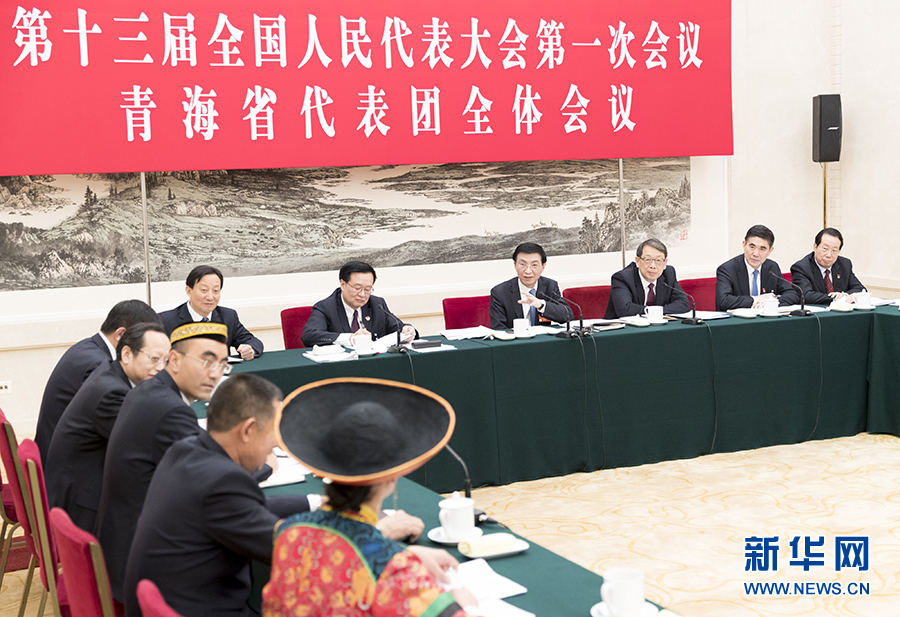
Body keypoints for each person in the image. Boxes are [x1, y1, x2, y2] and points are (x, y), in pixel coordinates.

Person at [262, 377, 477, 617]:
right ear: (391, 478)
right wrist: (467, 605)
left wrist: (407, 553)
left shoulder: (288, 533)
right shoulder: (391, 567)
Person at [123, 374, 314, 617]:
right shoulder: (222, 481)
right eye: (274, 432)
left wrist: (316, 503)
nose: (276, 444)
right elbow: (289, 549)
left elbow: (240, 510)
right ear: (248, 430)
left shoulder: (185, 450)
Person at [96, 322, 234, 601]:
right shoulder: (170, 408)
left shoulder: (151, 389)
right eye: (206, 362)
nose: (215, 373)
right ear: (174, 360)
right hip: (142, 565)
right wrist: (262, 465)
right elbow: (211, 481)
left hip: (120, 542)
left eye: (222, 365)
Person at [45, 322, 170, 533]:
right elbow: (147, 445)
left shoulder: (110, 372)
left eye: (166, 361)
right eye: (154, 359)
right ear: (127, 354)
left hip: (75, 487)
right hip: (80, 506)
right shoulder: (112, 394)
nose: (161, 368)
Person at [35, 299, 160, 464]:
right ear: (121, 335)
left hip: (59, 453)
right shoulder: (98, 365)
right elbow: (126, 430)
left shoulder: (88, 348)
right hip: (69, 465)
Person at [159, 265, 263, 360]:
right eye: (204, 290)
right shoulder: (166, 320)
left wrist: (249, 349)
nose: (210, 297)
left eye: (215, 291)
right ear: (189, 291)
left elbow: (253, 341)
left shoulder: (228, 316)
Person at [301, 261, 416, 348]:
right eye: (357, 288)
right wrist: (350, 338)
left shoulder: (377, 304)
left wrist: (408, 330)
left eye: (368, 289)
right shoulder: (325, 307)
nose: (362, 294)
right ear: (343, 284)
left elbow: (398, 327)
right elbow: (309, 336)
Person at [715, 224, 798, 311]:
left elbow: (792, 295)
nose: (755, 254)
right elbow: (723, 301)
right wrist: (756, 299)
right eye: (752, 247)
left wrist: (770, 302)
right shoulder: (727, 269)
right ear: (744, 245)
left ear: (770, 251)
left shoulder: (772, 267)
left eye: (762, 249)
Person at [489, 242, 571, 330]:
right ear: (515, 265)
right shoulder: (500, 292)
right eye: (522, 264)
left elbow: (568, 316)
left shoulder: (550, 286)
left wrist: (541, 305)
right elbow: (498, 329)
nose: (528, 271)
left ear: (543, 266)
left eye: (534, 265)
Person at [604, 238, 691, 319]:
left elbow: (684, 303)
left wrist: (657, 311)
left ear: (665, 263)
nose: (653, 266)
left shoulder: (668, 274)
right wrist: (655, 311)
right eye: (648, 259)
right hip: (623, 329)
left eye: (658, 260)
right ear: (638, 261)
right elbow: (625, 309)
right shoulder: (622, 278)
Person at [790, 228, 865, 305]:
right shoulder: (802, 267)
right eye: (825, 249)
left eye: (834, 250)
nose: (829, 255)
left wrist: (844, 295)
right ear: (815, 247)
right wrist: (839, 300)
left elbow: (861, 289)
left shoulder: (844, 264)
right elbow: (806, 296)